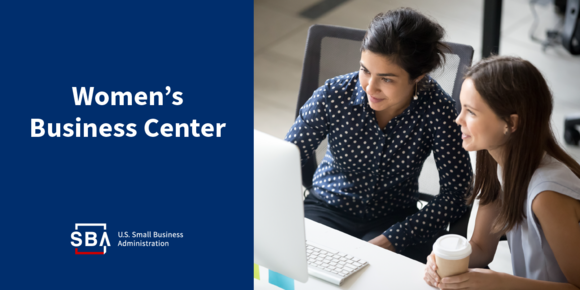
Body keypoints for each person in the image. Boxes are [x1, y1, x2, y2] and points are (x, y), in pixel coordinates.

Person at [285, 7, 473, 263]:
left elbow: (457, 192)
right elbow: (284, 160)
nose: (370, 87)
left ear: (418, 76)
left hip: (394, 220)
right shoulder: (334, 95)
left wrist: (395, 237)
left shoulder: (437, 109)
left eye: (386, 79)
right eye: (365, 70)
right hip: (327, 208)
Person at [424, 56, 580, 289]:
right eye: (461, 108)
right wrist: (441, 261)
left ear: (511, 123)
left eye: (471, 112)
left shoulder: (547, 195)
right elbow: (482, 249)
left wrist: (501, 282)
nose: (458, 119)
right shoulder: (497, 163)